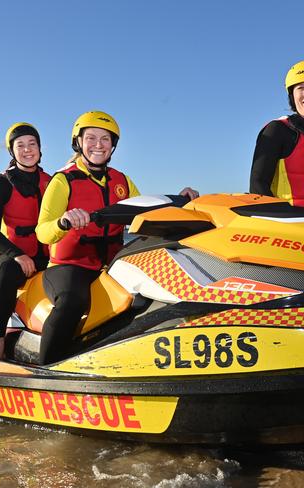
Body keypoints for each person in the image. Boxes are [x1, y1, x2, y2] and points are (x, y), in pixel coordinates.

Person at [36, 110, 198, 365]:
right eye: (91, 138)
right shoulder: (62, 181)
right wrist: (63, 221)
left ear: (113, 146)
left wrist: (183, 202)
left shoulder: (122, 181)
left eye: (105, 139)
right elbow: (42, 231)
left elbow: (147, 212)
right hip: (70, 266)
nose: (98, 145)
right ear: (78, 142)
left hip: (112, 264)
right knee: (71, 302)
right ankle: (45, 371)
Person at [0, 122, 51, 359]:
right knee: (6, 272)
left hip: (47, 254)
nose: (27, 149)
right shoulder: (0, 183)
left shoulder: (52, 182)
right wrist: (17, 255)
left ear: (40, 150)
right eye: (20, 145)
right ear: (12, 151)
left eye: (32, 144)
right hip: (11, 254)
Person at [250, 60, 304, 209]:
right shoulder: (276, 130)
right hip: (289, 227)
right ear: (292, 96)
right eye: (300, 88)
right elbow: (257, 186)